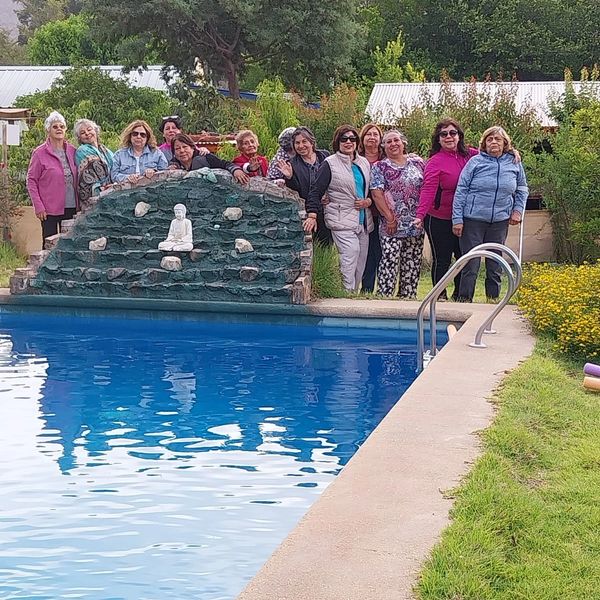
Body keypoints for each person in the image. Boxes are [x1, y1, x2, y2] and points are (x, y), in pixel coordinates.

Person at [452, 125, 528, 302]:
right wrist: (457, 219)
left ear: (505, 143)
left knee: (495, 263)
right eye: (489, 139)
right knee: (471, 263)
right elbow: (461, 190)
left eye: (498, 139)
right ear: (484, 144)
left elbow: (522, 188)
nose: (493, 142)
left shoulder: (514, 162)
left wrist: (517, 210)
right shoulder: (475, 162)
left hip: (500, 220)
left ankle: (493, 302)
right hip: (473, 220)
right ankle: (465, 301)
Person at [413, 119, 478, 301]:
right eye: (444, 134)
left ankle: (460, 295)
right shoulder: (435, 162)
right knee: (442, 258)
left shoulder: (472, 155)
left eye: (452, 133)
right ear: (438, 139)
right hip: (438, 218)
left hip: (464, 218)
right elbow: (428, 189)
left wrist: (512, 152)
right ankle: (439, 295)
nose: (449, 137)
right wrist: (420, 215)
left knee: (462, 257)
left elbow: (495, 153)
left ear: (459, 136)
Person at [306, 124, 373, 292]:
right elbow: (316, 190)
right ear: (338, 142)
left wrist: (368, 202)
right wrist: (312, 214)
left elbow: (372, 189)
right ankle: (346, 293)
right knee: (350, 253)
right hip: (340, 218)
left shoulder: (363, 162)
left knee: (361, 260)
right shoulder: (330, 164)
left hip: (363, 219)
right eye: (344, 139)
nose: (349, 142)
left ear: (357, 142)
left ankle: (353, 294)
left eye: (352, 138)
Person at [370, 130, 425, 299]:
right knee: (389, 261)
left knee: (412, 263)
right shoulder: (380, 167)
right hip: (392, 224)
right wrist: (390, 218)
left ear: (403, 143)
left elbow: (427, 187)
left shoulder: (417, 162)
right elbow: (377, 194)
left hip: (415, 223)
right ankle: (384, 299)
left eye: (396, 140)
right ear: (383, 146)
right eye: (388, 142)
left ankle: (407, 300)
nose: (393, 144)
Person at [26, 111, 79, 248]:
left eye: (62, 126)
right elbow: (31, 180)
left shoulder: (73, 151)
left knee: (69, 245)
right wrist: (38, 206)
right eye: (55, 126)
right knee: (49, 245)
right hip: (49, 209)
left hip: (71, 206)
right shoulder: (39, 153)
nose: (59, 129)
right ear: (48, 130)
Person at [276, 126, 332, 245]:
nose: (301, 146)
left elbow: (334, 178)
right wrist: (289, 178)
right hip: (309, 210)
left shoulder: (325, 157)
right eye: (297, 143)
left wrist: (327, 193)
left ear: (311, 142)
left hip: (330, 209)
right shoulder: (292, 164)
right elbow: (296, 192)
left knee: (330, 246)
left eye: (304, 141)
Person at [358, 123, 385, 293]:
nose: (372, 137)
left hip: (381, 213)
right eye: (368, 134)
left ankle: (382, 289)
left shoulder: (385, 160)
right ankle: (366, 288)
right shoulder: (355, 158)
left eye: (375, 134)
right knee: (365, 253)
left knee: (380, 252)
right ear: (362, 138)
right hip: (361, 213)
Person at [169, 133, 249, 184]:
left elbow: (225, 164)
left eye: (185, 147)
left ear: (192, 148)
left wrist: (236, 170)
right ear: (174, 152)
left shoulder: (205, 157)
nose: (182, 151)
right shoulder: (174, 166)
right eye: (177, 149)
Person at [73, 118, 114, 210]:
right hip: (93, 196)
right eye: (83, 133)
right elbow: (95, 173)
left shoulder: (106, 151)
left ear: (95, 130)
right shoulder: (82, 151)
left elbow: (116, 167)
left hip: (111, 192)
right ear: (79, 138)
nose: (87, 133)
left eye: (89, 129)